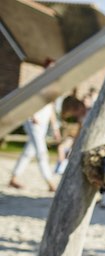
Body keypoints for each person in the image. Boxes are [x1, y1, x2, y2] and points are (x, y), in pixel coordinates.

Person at [8, 59, 61, 191]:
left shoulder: (53, 85)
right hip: (34, 122)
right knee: (42, 152)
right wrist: (33, 115)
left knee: (29, 152)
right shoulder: (39, 83)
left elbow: (51, 108)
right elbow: (28, 100)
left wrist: (55, 127)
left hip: (43, 123)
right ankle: (50, 182)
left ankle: (14, 178)